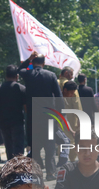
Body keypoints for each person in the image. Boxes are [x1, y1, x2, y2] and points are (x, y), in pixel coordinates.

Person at [19, 51, 62, 181]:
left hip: (33, 116)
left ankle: (37, 173)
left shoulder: (28, 74)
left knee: (35, 146)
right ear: (44, 63)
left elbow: (19, 70)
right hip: (49, 115)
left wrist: (28, 60)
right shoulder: (51, 75)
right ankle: (51, 172)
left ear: (33, 63)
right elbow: (59, 97)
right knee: (50, 145)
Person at [0, 65, 27, 160]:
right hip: (18, 123)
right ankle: (18, 170)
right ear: (17, 76)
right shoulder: (21, 88)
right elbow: (26, 107)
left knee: (9, 148)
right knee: (18, 148)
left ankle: (11, 170)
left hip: (4, 124)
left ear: (6, 76)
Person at [62, 80, 81, 162]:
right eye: (71, 93)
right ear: (65, 90)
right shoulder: (58, 99)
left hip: (66, 123)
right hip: (64, 123)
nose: (72, 95)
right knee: (69, 142)